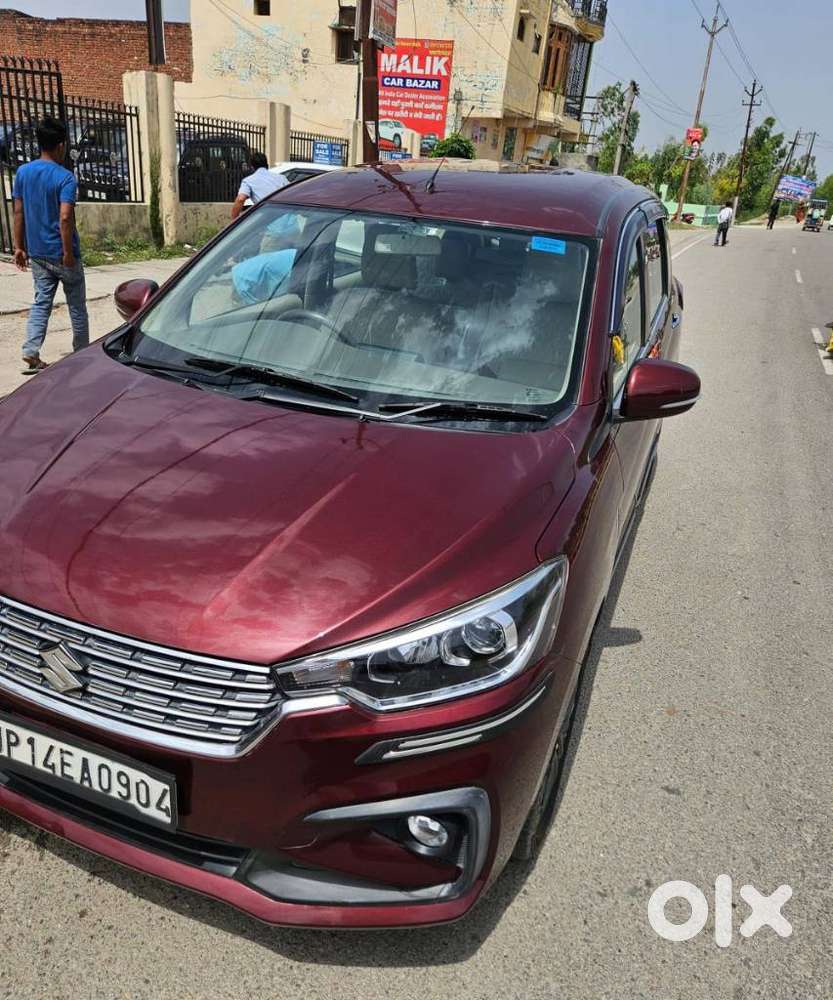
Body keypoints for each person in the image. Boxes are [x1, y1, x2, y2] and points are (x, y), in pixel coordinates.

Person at [12, 116, 89, 375]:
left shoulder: (23, 173)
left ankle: (31, 351)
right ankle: (82, 355)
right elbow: (65, 217)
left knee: (41, 302)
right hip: (63, 253)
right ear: (60, 145)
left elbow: (18, 212)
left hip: (38, 253)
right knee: (76, 305)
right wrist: (68, 253)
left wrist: (18, 246)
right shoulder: (65, 178)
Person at [231, 152, 289, 220]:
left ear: (252, 167)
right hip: (291, 222)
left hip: (271, 223)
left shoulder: (248, 181)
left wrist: (234, 221)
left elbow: (240, 199)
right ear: (267, 165)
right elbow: (294, 193)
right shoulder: (282, 178)